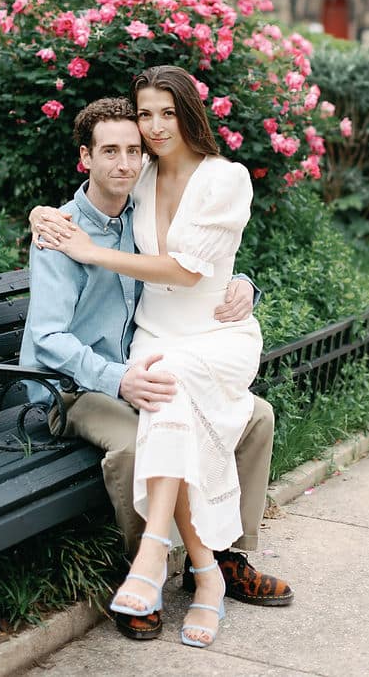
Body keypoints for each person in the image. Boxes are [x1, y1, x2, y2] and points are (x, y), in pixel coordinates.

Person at [33, 67, 290, 648]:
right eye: (138, 121)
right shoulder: (65, 230)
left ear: (187, 114)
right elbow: (49, 341)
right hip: (81, 382)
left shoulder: (131, 201)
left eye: (162, 116)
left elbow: (194, 262)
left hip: (164, 351)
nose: (134, 150)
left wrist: (244, 281)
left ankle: (222, 560)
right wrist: (119, 376)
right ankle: (159, 568)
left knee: (256, 414)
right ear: (86, 158)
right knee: (142, 434)